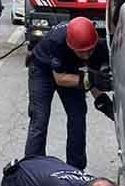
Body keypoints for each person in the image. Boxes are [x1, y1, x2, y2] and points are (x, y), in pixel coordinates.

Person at [24, 17, 113, 170]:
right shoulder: (57, 42)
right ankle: (32, 168)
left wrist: (103, 101)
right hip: (42, 70)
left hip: (71, 71)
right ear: (71, 46)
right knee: (40, 118)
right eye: (82, 52)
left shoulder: (97, 45)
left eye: (89, 51)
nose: (86, 55)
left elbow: (92, 78)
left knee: (78, 115)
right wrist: (90, 79)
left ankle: (76, 168)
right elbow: (60, 79)